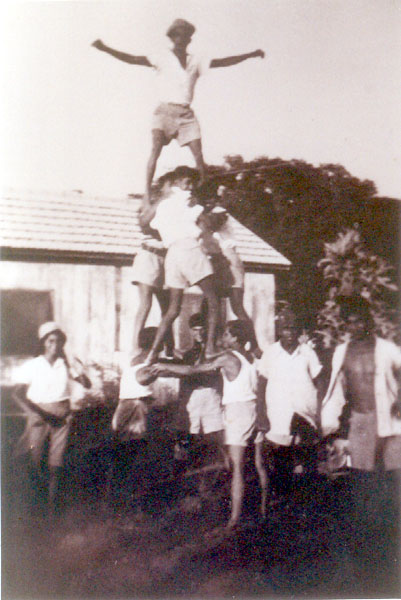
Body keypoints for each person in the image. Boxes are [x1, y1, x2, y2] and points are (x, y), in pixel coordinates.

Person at [92, 19, 264, 203]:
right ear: (173, 37)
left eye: (187, 36)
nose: (183, 39)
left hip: (186, 114)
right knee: (155, 151)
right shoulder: (161, 57)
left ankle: (203, 196)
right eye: (179, 35)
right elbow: (133, 59)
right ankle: (147, 196)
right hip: (164, 112)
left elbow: (222, 62)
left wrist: (250, 54)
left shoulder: (196, 60)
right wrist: (105, 48)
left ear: (190, 39)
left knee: (199, 158)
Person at [150, 320, 268, 531]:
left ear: (235, 337)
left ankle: (234, 520)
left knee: (237, 468)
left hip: (238, 411)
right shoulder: (252, 357)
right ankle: (264, 509)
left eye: (227, 334)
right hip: (254, 409)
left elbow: (194, 369)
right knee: (259, 464)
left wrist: (165, 366)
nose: (223, 338)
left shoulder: (228, 357)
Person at [320, 295, 401, 579]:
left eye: (358, 321)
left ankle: (391, 543)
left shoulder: (387, 349)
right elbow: (335, 390)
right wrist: (331, 427)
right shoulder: (341, 352)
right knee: (363, 483)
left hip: (392, 422)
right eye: (349, 322)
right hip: (360, 421)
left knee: (393, 481)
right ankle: (367, 548)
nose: (354, 326)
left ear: (368, 322)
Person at [141, 166, 220, 362]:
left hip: (172, 255)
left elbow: (149, 224)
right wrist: (200, 206)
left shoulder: (163, 204)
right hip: (189, 249)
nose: (191, 187)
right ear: (177, 182)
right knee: (213, 301)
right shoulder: (189, 201)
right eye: (187, 182)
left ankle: (152, 352)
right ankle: (210, 348)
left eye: (192, 183)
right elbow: (208, 224)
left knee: (173, 309)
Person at [12, 322, 90, 515]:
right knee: (34, 460)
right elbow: (16, 394)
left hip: (62, 417)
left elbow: (86, 384)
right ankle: (32, 505)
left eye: (59, 341)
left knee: (56, 463)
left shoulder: (65, 365)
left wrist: (79, 369)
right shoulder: (34, 365)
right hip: (39, 416)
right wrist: (32, 412)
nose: (55, 345)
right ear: (43, 343)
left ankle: (51, 508)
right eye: (51, 341)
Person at [257, 308, 323, 499]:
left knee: (308, 466)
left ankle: (307, 507)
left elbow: (320, 383)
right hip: (279, 415)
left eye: (294, 328)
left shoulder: (308, 352)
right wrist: (261, 414)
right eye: (286, 328)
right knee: (281, 467)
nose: (290, 332)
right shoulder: (270, 353)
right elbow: (261, 385)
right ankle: (283, 507)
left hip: (305, 414)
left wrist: (320, 414)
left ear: (299, 331)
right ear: (279, 330)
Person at [108, 327, 160, 511]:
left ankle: (119, 503)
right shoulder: (146, 362)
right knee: (136, 457)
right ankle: (133, 505)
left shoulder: (136, 359)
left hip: (125, 408)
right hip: (134, 409)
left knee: (124, 458)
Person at [200, 206, 262, 357]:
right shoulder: (208, 217)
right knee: (211, 305)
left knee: (237, 307)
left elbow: (216, 221)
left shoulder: (219, 214)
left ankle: (254, 345)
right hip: (217, 262)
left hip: (229, 261)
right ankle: (213, 342)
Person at [175, 313, 226, 471]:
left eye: (202, 329)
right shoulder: (188, 354)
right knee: (189, 434)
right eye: (195, 330)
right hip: (194, 397)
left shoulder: (216, 352)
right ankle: (185, 473)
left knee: (215, 435)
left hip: (212, 395)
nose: (199, 333)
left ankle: (218, 471)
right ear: (190, 331)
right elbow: (185, 380)